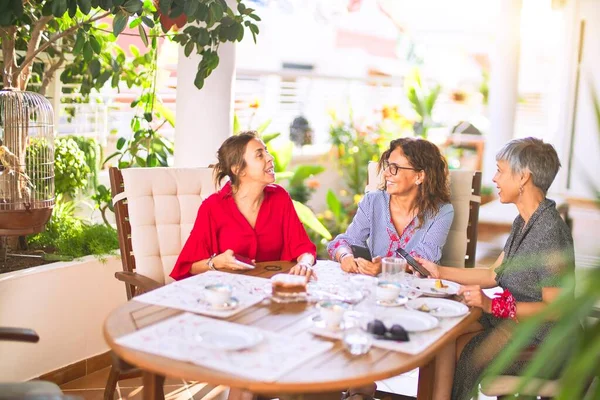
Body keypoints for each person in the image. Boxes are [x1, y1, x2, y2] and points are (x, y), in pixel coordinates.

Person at [412, 137, 575, 400]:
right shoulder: (525, 221)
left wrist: (491, 306)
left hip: (544, 340)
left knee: (465, 350)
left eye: (500, 170)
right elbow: (493, 274)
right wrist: (438, 271)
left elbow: (555, 309)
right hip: (516, 324)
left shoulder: (549, 232)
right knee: (440, 337)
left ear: (523, 178)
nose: (495, 179)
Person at [170, 131, 316, 281]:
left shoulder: (280, 198)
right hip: (228, 293)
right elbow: (189, 267)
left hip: (271, 290)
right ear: (238, 169)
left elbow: (303, 247)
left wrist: (305, 263)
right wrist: (216, 262)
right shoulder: (212, 207)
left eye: (266, 151)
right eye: (260, 155)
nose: (270, 157)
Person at [327, 137, 454, 276]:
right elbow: (345, 241)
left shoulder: (441, 211)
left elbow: (425, 260)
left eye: (395, 168)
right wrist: (345, 256)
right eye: (387, 166)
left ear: (419, 176)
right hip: (374, 288)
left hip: (418, 290)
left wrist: (385, 267)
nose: (386, 173)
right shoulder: (372, 201)